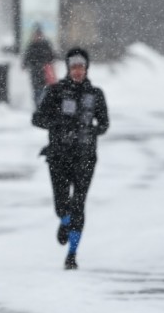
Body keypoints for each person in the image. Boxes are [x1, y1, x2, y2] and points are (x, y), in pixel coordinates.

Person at [32, 47, 109, 271]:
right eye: (74, 67)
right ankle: (64, 221)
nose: (77, 71)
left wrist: (91, 131)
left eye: (81, 67)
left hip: (85, 157)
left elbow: (104, 124)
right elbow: (37, 119)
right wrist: (57, 125)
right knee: (62, 203)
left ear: (86, 69)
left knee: (79, 204)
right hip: (58, 155)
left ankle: (72, 254)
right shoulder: (55, 91)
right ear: (68, 68)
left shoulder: (95, 95)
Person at [21, 26, 57, 105]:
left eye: (39, 35)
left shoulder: (45, 45)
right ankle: (39, 106)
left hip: (45, 73)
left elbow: (52, 56)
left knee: (45, 91)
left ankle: (43, 106)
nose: (37, 37)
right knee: (37, 91)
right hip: (35, 73)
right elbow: (26, 58)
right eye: (36, 35)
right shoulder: (31, 46)